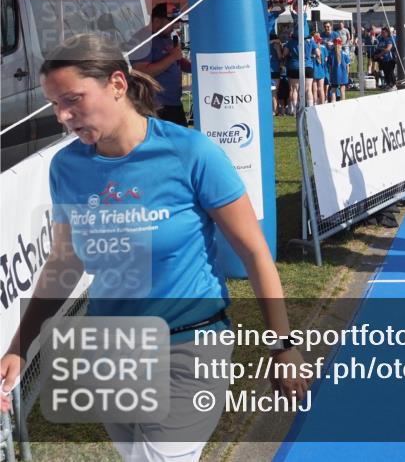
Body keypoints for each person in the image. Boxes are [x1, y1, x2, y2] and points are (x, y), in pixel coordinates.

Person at [0, 33, 307, 460]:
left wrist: (283, 345)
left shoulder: (191, 153)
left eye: (73, 99)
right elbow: (64, 265)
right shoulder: (66, 167)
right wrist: (19, 346)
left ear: (117, 84)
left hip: (190, 347)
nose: (63, 116)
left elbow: (255, 252)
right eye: (55, 104)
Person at [130, 3, 191, 126]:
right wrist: (173, 56)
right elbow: (142, 72)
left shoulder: (165, 37)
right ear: (157, 20)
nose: (173, 27)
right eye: (171, 23)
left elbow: (173, 62)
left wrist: (191, 65)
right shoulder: (141, 39)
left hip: (174, 103)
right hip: (156, 106)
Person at [311, 33, 328, 106]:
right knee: (321, 89)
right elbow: (326, 59)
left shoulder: (313, 48)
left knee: (314, 89)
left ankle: (315, 103)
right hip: (321, 70)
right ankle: (323, 104)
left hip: (314, 70)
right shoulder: (324, 48)